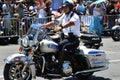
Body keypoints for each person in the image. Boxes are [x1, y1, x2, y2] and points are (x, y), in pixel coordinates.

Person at [42, 0, 80, 73]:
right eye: (64, 7)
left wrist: (61, 27)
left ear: (70, 8)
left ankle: (59, 68)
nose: (64, 9)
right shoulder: (64, 15)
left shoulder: (74, 16)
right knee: (51, 44)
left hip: (73, 39)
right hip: (65, 37)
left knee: (60, 46)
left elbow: (70, 23)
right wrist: (44, 25)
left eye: (66, 7)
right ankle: (51, 63)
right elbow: (55, 22)